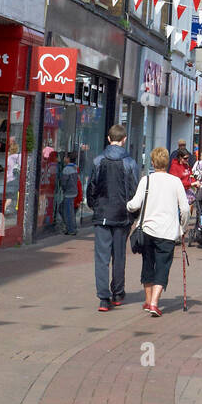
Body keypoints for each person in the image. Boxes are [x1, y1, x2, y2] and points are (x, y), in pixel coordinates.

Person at [127, 146, 190, 317]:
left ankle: (148, 301)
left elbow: (134, 204)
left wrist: (127, 205)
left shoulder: (146, 180)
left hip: (148, 229)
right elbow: (185, 209)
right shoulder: (175, 182)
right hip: (168, 232)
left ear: (153, 163)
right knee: (163, 266)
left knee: (148, 263)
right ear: (167, 162)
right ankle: (154, 302)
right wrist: (182, 227)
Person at [87, 125, 140, 313]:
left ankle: (103, 298)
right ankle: (117, 293)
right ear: (124, 139)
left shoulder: (98, 161)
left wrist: (94, 205)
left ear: (109, 139)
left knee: (101, 258)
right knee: (119, 256)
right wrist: (134, 214)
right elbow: (135, 191)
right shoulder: (130, 163)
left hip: (102, 214)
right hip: (122, 215)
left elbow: (91, 188)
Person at [60, 151, 80, 235]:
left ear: (68, 159)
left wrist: (63, 189)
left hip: (68, 193)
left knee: (68, 211)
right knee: (69, 211)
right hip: (73, 192)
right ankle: (73, 228)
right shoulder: (75, 167)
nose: (64, 159)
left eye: (65, 157)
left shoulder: (66, 169)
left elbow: (64, 182)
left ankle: (71, 229)